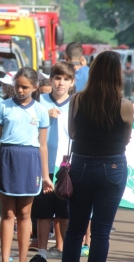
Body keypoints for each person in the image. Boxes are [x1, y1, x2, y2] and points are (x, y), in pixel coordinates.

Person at [62, 51, 133, 262]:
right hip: (112, 166)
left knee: (75, 229)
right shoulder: (125, 105)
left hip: (81, 165)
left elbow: (72, 132)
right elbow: (126, 140)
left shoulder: (77, 99)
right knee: (101, 231)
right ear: (117, 74)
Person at [0, 67, 53, 262]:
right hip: (7, 159)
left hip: (30, 161)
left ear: (35, 87)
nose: (20, 90)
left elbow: (42, 145)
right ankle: (5, 258)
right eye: (17, 86)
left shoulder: (41, 111)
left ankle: (22, 259)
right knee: (7, 213)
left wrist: (45, 175)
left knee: (25, 213)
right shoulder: (3, 106)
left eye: (25, 87)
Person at [29, 61, 75, 262]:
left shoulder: (76, 104)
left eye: (66, 79)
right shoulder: (39, 102)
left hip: (66, 168)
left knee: (64, 214)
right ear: (50, 80)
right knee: (43, 212)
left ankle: (66, 251)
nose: (61, 83)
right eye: (57, 78)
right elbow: (27, 124)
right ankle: (42, 252)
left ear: (72, 82)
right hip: (42, 165)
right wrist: (43, 116)